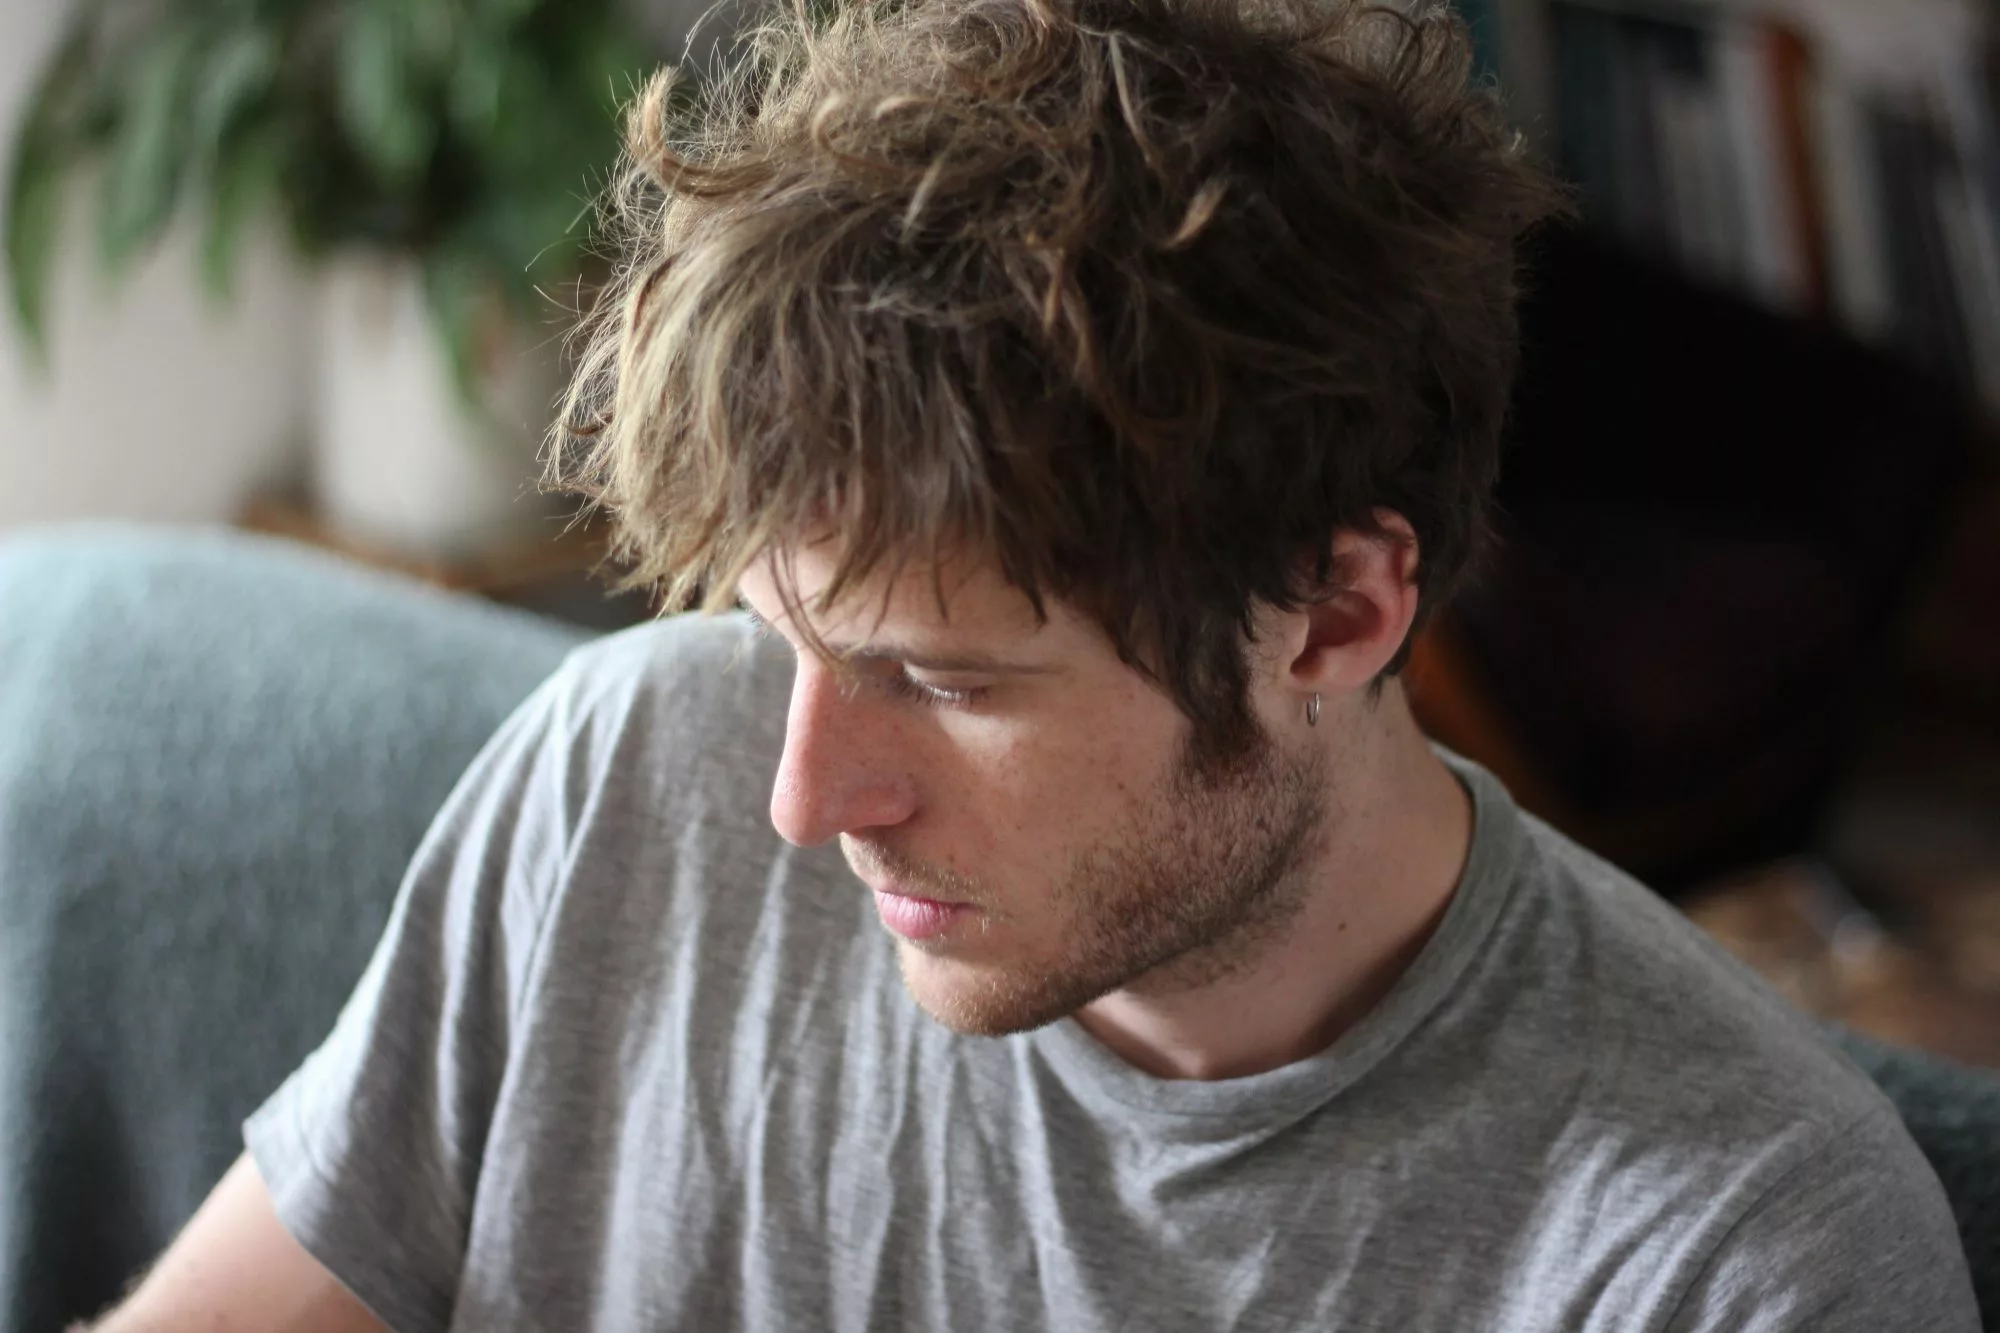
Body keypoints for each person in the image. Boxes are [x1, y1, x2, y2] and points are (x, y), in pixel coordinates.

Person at [89, 0, 1979, 1328]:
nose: (802, 798)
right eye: (781, 631)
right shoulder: (630, 771)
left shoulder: (1734, 1260)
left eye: (947, 681)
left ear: (1337, 615)